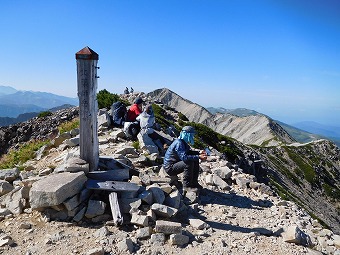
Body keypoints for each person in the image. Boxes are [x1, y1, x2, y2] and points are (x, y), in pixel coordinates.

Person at [163, 126, 207, 193]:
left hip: (174, 164)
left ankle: (194, 183)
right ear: (187, 134)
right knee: (188, 163)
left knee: (194, 159)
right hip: (170, 167)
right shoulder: (179, 143)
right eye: (191, 135)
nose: (192, 136)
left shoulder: (182, 142)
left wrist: (198, 153)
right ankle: (187, 186)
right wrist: (198, 156)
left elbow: (188, 152)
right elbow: (184, 157)